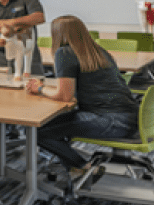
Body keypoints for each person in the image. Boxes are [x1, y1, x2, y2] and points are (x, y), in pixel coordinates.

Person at [26, 16, 138, 178]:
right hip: (130, 119)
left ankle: (83, 167)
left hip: (110, 121)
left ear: (56, 34)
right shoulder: (98, 51)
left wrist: (40, 88)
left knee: (35, 131)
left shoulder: (64, 52)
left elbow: (65, 96)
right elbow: (69, 90)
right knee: (51, 125)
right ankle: (74, 169)